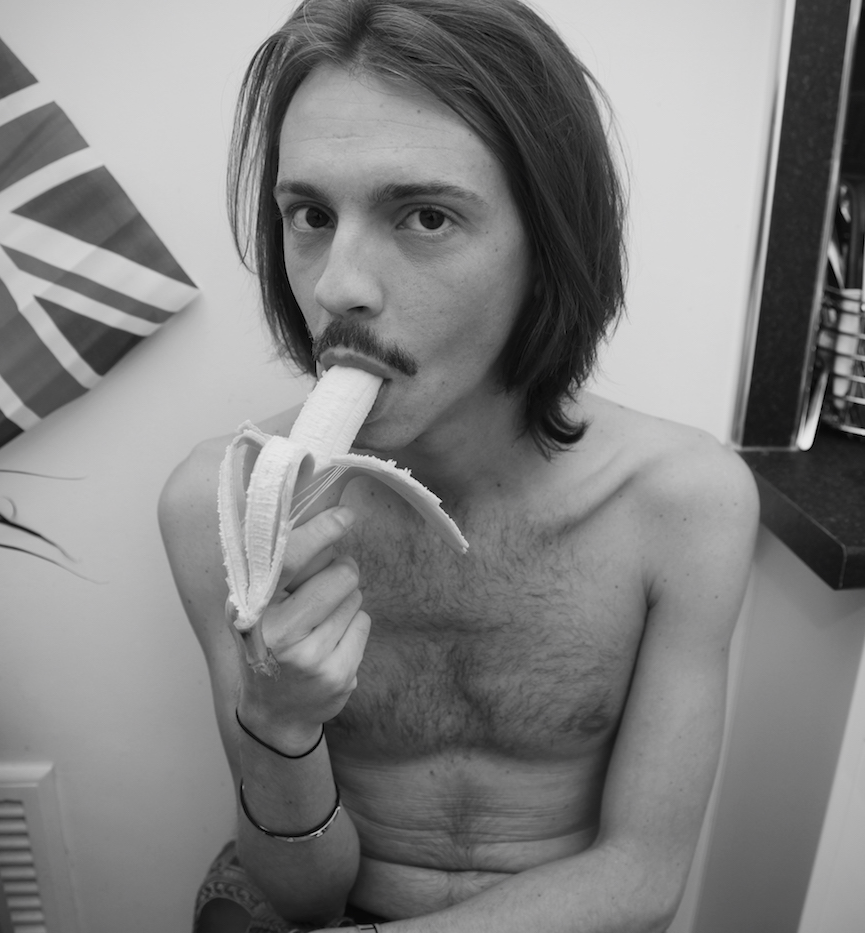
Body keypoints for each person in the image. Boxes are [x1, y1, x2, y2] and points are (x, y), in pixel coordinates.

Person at [158, 1, 760, 930]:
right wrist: (277, 723)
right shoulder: (221, 505)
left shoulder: (683, 509)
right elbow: (300, 894)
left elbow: (643, 875)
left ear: (549, 244)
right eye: (311, 214)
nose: (336, 288)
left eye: (426, 215)